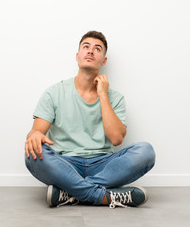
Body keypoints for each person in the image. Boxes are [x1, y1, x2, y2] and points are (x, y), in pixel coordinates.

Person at [24, 30, 155, 209]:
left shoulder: (115, 98)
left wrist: (102, 94)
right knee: (33, 155)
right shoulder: (54, 92)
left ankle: (71, 192)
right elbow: (36, 131)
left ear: (104, 60)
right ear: (77, 56)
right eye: (86, 47)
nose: (91, 51)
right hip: (65, 163)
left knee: (146, 151)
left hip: (103, 164)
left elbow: (116, 139)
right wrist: (35, 136)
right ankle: (102, 196)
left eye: (97, 48)